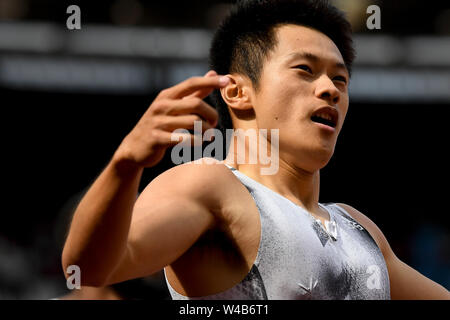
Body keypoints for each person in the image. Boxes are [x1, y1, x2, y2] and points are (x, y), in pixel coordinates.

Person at [61, 0, 450, 299]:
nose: (331, 89)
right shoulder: (210, 185)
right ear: (236, 92)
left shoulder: (359, 230)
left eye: (340, 78)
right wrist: (124, 165)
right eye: (305, 70)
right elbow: (86, 271)